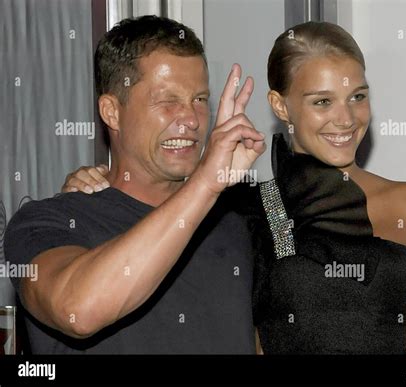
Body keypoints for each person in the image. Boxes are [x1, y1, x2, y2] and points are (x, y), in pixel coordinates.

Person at [67, 21, 406, 355]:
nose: (346, 119)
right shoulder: (240, 209)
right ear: (280, 107)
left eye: (358, 97)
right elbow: (152, 221)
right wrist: (98, 182)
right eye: (322, 101)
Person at [4, 16, 266, 354]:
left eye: (199, 99)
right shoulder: (46, 222)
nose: (190, 119)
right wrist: (205, 184)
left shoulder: (231, 225)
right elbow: (78, 310)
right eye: (168, 100)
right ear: (112, 112)